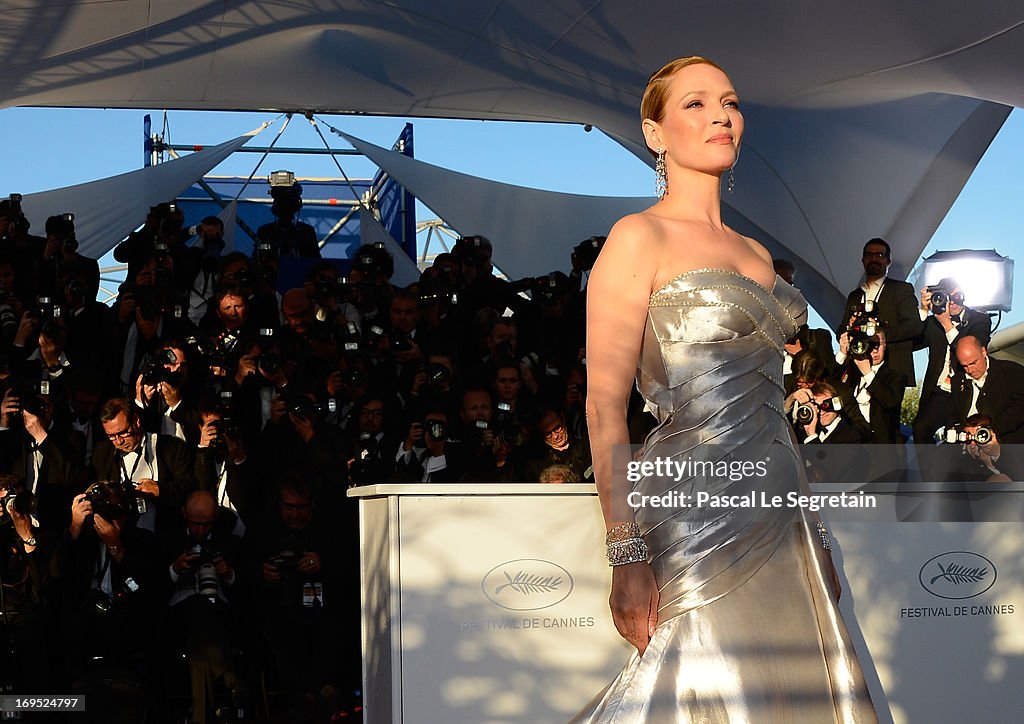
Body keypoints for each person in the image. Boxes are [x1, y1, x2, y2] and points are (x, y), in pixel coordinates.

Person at [574, 57, 875, 721]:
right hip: (690, 505)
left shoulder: (757, 257)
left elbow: (773, 409)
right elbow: (604, 407)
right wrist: (625, 552)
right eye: (696, 103)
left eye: (730, 102)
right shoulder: (637, 238)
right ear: (655, 133)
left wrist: (814, 530)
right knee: (694, 683)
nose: (721, 115)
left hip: (779, 510)